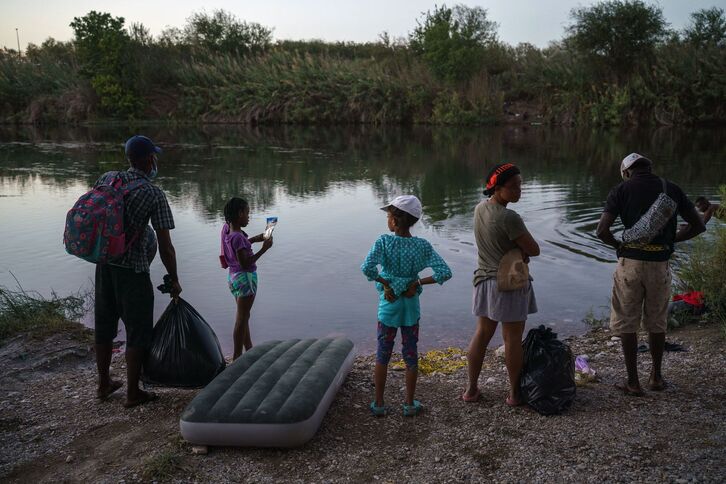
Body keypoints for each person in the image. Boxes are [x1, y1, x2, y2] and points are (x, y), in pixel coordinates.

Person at [596, 153, 705, 396]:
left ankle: (633, 382)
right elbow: (698, 226)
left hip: (630, 264)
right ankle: (656, 377)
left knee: (627, 321)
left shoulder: (620, 190)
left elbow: (602, 231)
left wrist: (618, 246)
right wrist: (672, 239)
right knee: (657, 321)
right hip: (660, 264)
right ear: (649, 168)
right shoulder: (671, 189)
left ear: (626, 172)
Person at [94, 135, 182, 408]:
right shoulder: (152, 193)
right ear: (148, 160)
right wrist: (175, 279)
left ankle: (104, 384)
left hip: (104, 265)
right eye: (153, 157)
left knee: (104, 326)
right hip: (133, 271)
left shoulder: (108, 178)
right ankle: (133, 393)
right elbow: (166, 247)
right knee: (139, 330)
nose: (155, 161)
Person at [361, 195, 452, 417]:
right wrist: (418, 282)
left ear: (393, 220)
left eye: (388, 215)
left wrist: (385, 284)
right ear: (412, 221)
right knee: (410, 354)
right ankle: (410, 404)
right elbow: (445, 272)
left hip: (388, 307)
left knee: (383, 354)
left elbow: (367, 268)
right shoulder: (422, 245)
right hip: (411, 308)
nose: (387, 220)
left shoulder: (384, 242)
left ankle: (379, 403)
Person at [462, 163, 540, 407]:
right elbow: (535, 249)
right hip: (509, 283)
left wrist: (516, 249)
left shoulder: (479, 209)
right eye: (513, 186)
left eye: (520, 184)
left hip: (484, 281)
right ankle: (515, 395)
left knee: (482, 334)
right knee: (512, 339)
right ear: (497, 187)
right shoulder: (509, 217)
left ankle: (471, 390)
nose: (519, 190)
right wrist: (521, 251)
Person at [221, 197, 273, 360]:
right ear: (239, 214)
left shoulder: (226, 230)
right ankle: (237, 356)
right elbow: (245, 262)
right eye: (247, 213)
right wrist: (264, 249)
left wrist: (255, 239)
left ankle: (248, 349)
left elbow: (238, 247)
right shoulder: (238, 237)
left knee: (244, 316)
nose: (249, 216)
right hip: (245, 278)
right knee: (242, 318)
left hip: (234, 277)